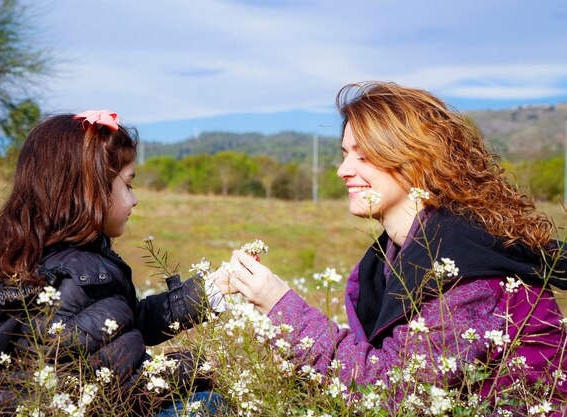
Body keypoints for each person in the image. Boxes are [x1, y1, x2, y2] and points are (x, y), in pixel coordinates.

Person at [227, 82, 567, 414]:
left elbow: (389, 392)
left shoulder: (466, 268)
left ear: (415, 160)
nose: (343, 170)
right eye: (345, 154)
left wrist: (279, 304)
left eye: (364, 155)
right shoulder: (392, 256)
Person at [0, 110, 228, 416]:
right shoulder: (77, 278)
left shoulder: (39, 264)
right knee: (210, 406)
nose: (135, 200)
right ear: (93, 190)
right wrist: (189, 369)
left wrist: (209, 291)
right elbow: (109, 393)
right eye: (128, 185)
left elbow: (125, 326)